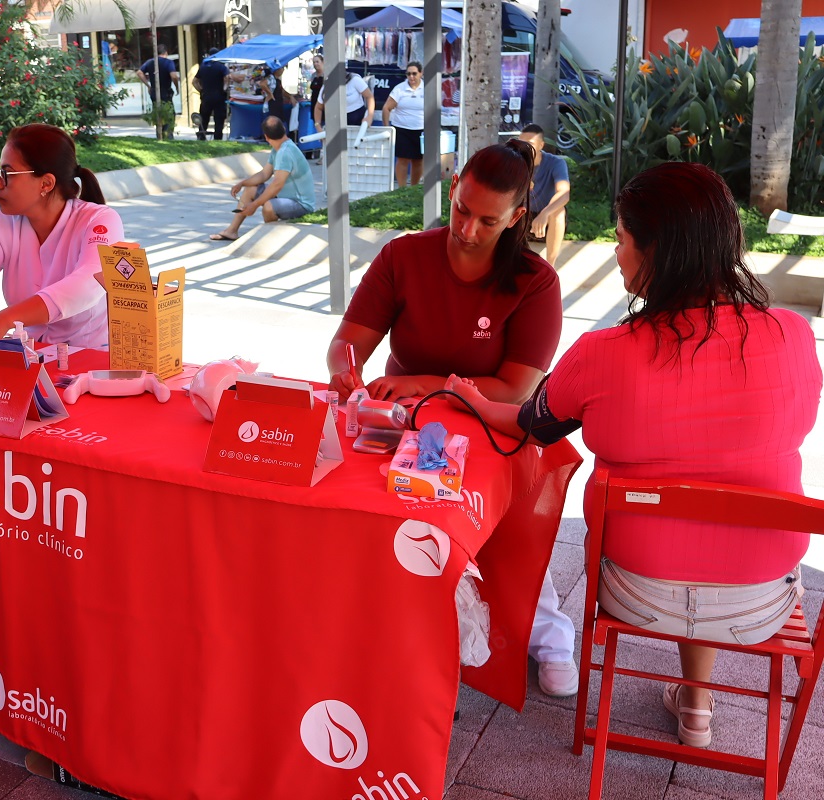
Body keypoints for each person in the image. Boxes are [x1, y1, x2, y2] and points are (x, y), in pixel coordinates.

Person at [444, 162, 822, 744]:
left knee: (679, 523)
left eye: (621, 240)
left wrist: (462, 394)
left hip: (637, 592)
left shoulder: (604, 354)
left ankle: (687, 698)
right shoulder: (795, 337)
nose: (617, 254)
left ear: (656, 255)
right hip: (761, 602)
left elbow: (528, 425)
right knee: (721, 505)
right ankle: (696, 703)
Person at [325, 140, 579, 697]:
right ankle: (387, 620)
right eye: (462, 209)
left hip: (492, 428)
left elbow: (516, 389)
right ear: (455, 185)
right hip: (403, 424)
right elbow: (347, 343)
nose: (467, 229)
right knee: (377, 514)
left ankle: (547, 628)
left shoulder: (535, 282)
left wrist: (427, 383)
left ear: (517, 217)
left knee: (503, 535)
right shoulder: (404, 256)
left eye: (488, 220)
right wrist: (345, 368)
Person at [0, 124, 124, 356]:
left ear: (46, 183)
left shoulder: (100, 220)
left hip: (91, 359)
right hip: (29, 355)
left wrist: (2, 320)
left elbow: (87, 285)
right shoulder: (0, 220)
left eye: (7, 174)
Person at [209, 116, 315, 242]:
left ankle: (270, 238)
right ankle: (231, 231)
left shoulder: (285, 152)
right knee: (250, 189)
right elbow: (264, 174)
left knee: (269, 206)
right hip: (284, 197)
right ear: (284, 129)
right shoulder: (278, 148)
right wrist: (242, 183)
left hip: (301, 204)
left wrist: (254, 205)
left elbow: (277, 185)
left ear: (266, 137)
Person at [518, 123, 570, 266]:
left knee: (558, 211)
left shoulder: (556, 163)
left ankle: (550, 266)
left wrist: (544, 214)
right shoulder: (515, 162)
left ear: (541, 145)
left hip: (547, 217)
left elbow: (564, 193)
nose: (524, 147)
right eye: (521, 143)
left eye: (529, 143)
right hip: (522, 216)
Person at [382, 61, 425, 188]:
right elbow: (386, 108)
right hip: (402, 129)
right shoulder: (399, 89)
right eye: (408, 74)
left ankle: (414, 188)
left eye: (414, 74)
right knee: (403, 160)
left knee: (418, 161)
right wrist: (387, 128)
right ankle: (401, 189)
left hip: (420, 130)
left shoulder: (427, 88)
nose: (411, 77)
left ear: (420, 74)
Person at [136, 44, 179, 138]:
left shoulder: (150, 62)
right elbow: (174, 76)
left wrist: (148, 85)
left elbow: (139, 72)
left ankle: (159, 134)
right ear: (166, 53)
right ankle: (168, 135)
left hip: (154, 91)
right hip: (165, 91)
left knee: (158, 113)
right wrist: (176, 86)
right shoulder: (168, 62)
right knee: (169, 113)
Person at [193, 47, 229, 141]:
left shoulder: (203, 66)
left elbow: (194, 81)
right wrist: (225, 89)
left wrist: (201, 90)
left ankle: (201, 136)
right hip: (219, 96)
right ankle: (217, 138)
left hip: (206, 96)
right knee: (219, 119)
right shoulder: (221, 66)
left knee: (204, 117)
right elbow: (227, 78)